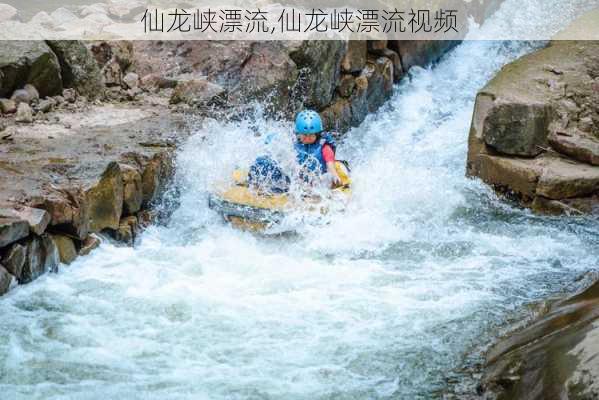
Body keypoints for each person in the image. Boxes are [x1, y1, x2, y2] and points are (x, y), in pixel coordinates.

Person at [293, 109, 342, 187]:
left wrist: (334, 175)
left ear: (317, 134)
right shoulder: (295, 146)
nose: (308, 138)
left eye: (311, 135)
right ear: (299, 133)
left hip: (320, 177)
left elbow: (329, 162)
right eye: (305, 135)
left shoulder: (324, 147)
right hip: (304, 179)